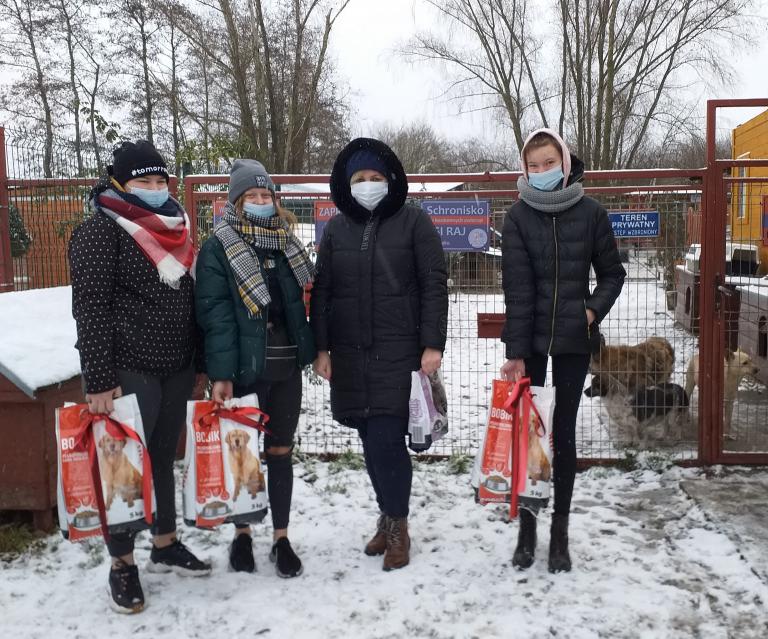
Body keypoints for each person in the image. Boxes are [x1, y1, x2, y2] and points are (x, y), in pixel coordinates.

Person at [69, 140, 211, 614]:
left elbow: (191, 300)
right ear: (119, 184)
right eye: (142, 182)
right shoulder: (99, 232)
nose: (153, 190)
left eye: (159, 182)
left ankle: (165, 542)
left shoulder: (177, 228)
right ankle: (122, 564)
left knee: (163, 458)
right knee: (124, 468)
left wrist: (200, 362)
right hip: (127, 368)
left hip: (176, 366)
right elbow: (89, 309)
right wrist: (98, 379)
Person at [310, 138, 448, 571]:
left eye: (375, 178)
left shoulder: (413, 222)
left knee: (388, 442)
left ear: (390, 181)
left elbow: (433, 283)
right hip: (351, 355)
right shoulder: (336, 229)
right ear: (346, 184)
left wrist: (432, 344)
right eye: (360, 179)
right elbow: (325, 291)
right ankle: (387, 516)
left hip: (398, 352)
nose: (368, 185)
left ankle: (399, 527)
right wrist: (322, 347)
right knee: (370, 442)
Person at [500, 128, 625, 573]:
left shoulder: (591, 212)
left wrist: (591, 313)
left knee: (564, 436)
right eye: (533, 166)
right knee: (530, 435)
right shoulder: (515, 218)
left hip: (574, 341)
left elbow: (613, 273)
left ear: (565, 163)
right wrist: (515, 351)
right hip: (530, 342)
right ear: (525, 169)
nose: (541, 172)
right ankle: (528, 528)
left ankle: (560, 533)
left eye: (549, 163)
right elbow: (516, 289)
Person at [195, 159, 316, 578]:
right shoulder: (219, 246)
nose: (262, 201)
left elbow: (303, 306)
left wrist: (314, 349)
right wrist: (222, 375)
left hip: (286, 368)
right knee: (242, 453)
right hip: (244, 371)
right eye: (253, 195)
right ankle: (243, 533)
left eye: (267, 195)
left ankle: (281, 537)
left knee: (280, 452)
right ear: (236, 200)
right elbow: (216, 315)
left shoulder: (288, 244)